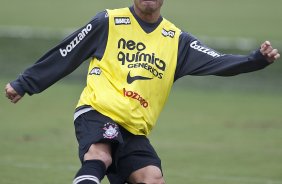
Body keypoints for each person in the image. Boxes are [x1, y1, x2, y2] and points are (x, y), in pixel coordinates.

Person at [4, 0, 280, 183]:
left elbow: (217, 61)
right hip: (98, 111)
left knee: (152, 176)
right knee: (100, 154)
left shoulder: (176, 40)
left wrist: (256, 59)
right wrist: (26, 83)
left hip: (134, 128)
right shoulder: (108, 22)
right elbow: (67, 52)